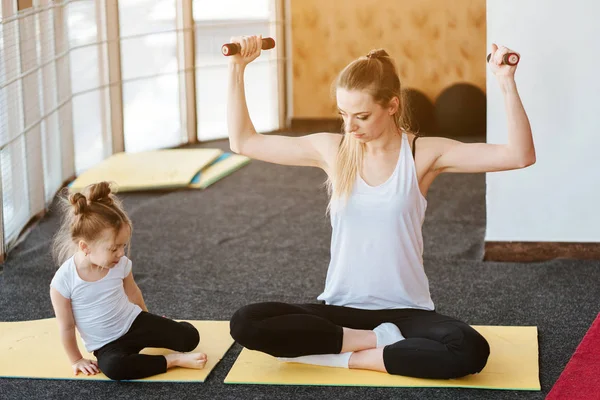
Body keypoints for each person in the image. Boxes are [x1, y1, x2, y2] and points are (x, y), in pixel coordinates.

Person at [226, 35, 535, 379]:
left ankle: (345, 355)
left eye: (361, 116)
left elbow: (519, 155)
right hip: (341, 310)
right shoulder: (333, 150)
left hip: (407, 313)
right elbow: (243, 142)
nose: (349, 127)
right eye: (343, 114)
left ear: (391, 106)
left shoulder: (423, 154)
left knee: (470, 349)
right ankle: (376, 341)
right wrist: (237, 68)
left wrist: (505, 82)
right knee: (246, 322)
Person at [50, 182, 207, 380]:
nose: (121, 253)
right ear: (85, 247)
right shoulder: (63, 282)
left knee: (190, 338)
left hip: (134, 322)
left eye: (123, 246)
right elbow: (66, 326)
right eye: (113, 248)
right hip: (107, 345)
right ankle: (171, 361)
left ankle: (168, 329)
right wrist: (76, 360)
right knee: (115, 368)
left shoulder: (120, 264)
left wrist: (152, 321)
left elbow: (133, 293)